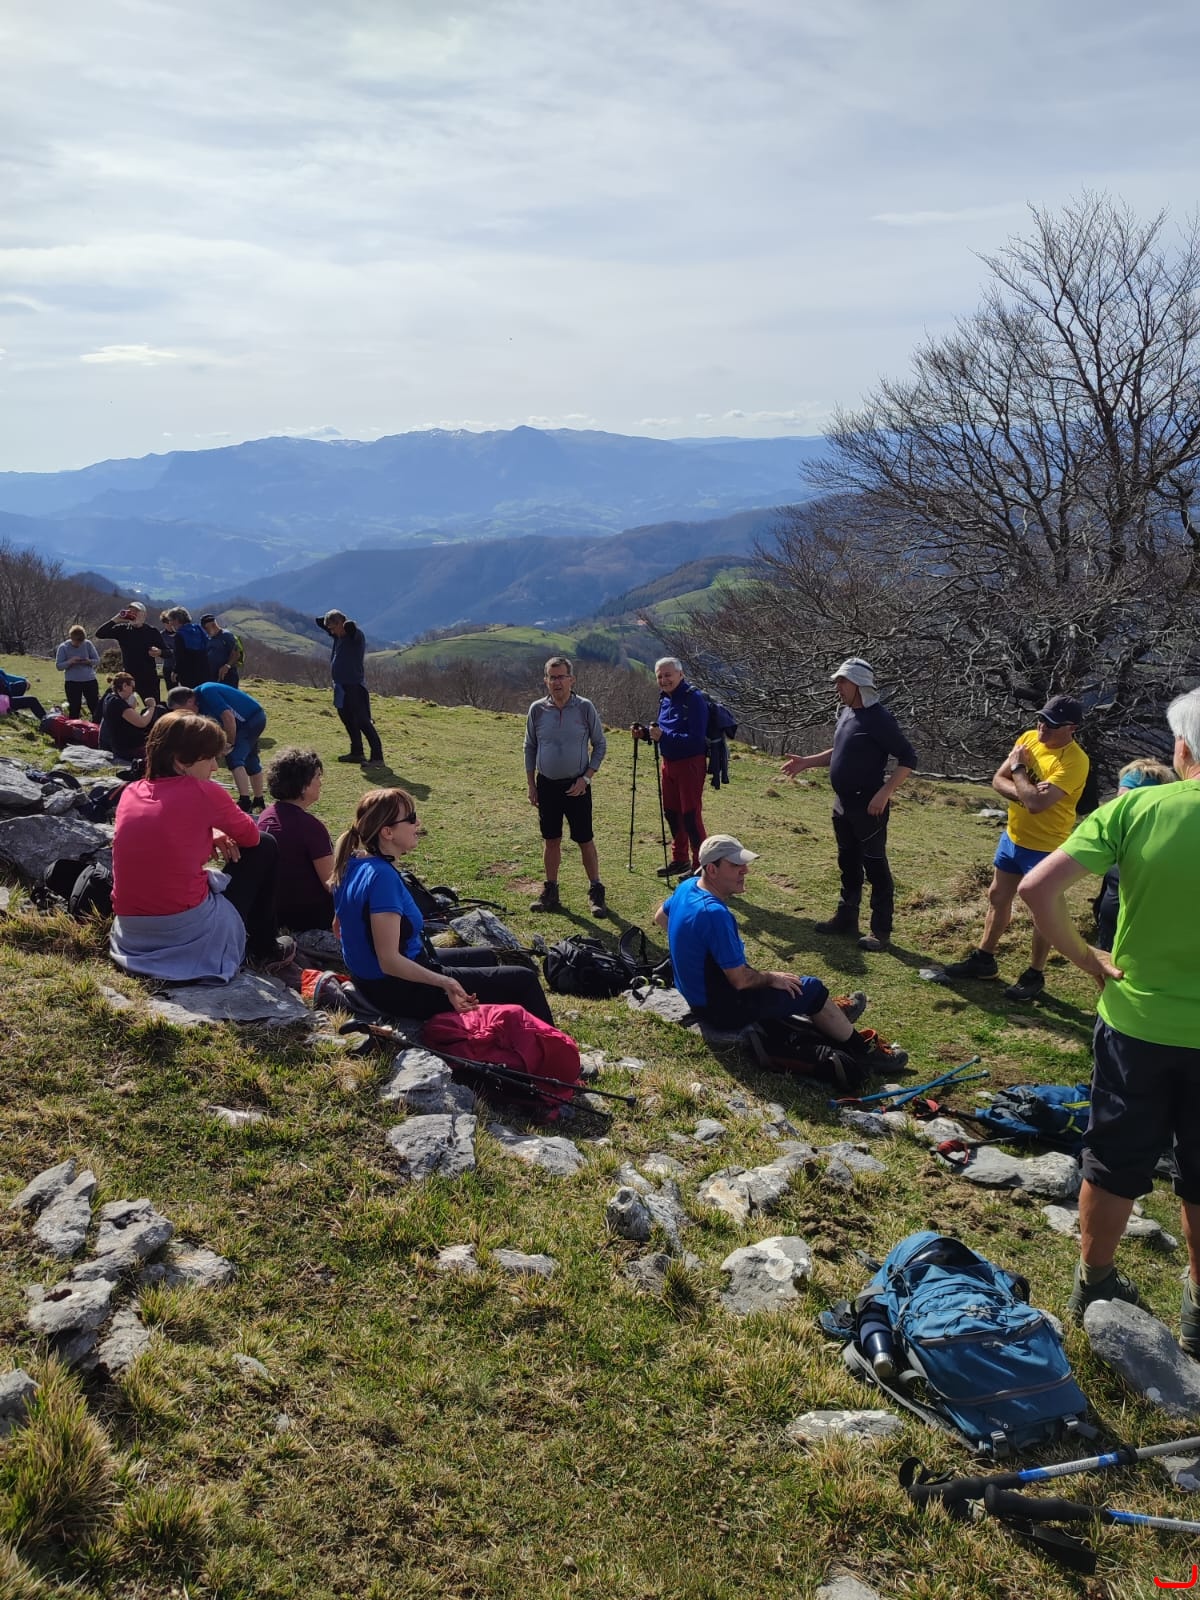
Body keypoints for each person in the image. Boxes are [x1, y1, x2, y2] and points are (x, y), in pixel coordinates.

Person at [1019, 689, 1200, 1350]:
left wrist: (1086, 957)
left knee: (1115, 1158)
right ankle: (1198, 1312)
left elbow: (1037, 889)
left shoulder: (1138, 807)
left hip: (1135, 1022)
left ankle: (1093, 1283)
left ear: (1182, 747)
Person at [654, 833, 907, 1068]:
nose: (745, 870)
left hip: (700, 995)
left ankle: (831, 1014)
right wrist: (770, 978)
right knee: (811, 988)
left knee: (787, 986)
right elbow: (741, 980)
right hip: (721, 1010)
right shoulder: (714, 913)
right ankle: (863, 1052)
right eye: (735, 865)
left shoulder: (688, 887)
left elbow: (661, 918)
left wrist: (696, 954)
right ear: (712, 869)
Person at [331, 787, 555, 1024]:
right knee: (524, 980)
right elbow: (389, 961)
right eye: (411, 818)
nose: (418, 823)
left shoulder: (352, 863)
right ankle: (554, 1045)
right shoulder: (382, 877)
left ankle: (494, 1026)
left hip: (376, 980)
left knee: (487, 956)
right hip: (397, 990)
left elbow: (338, 927)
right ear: (388, 832)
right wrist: (444, 982)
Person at [109, 711, 292, 982]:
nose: (215, 768)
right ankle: (264, 948)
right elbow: (251, 837)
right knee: (266, 844)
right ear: (181, 761)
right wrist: (217, 829)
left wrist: (213, 831)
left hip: (131, 931)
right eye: (209, 758)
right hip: (182, 930)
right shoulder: (204, 792)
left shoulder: (132, 791)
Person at [941, 695, 1090, 1000]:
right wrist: (1028, 791)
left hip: (1047, 848)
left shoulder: (1075, 761)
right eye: (1041, 719)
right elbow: (998, 780)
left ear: (1072, 728)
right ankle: (984, 959)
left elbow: (1036, 803)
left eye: (1051, 724)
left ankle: (1035, 974)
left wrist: (1020, 771)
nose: (1042, 727)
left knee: (1042, 911)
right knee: (997, 896)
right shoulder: (1028, 738)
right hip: (1013, 837)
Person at [780, 657, 918, 952]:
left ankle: (880, 931)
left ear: (859, 684)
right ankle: (846, 918)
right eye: (837, 682)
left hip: (869, 807)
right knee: (848, 862)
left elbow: (908, 758)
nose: (837, 687)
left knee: (875, 866)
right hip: (842, 804)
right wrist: (807, 762)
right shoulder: (847, 713)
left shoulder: (879, 718)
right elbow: (841, 750)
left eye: (842, 682)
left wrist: (884, 793)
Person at [524, 656, 608, 915]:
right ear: (545, 680)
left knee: (585, 839)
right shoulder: (537, 709)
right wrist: (531, 784)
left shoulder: (585, 707)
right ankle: (550, 892)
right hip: (546, 785)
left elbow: (600, 744)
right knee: (551, 840)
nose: (557, 682)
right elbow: (530, 747)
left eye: (561, 676)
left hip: (577, 785)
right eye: (552, 677)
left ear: (572, 679)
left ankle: (596, 891)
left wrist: (586, 778)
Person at [632, 657, 708, 877]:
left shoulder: (694, 699)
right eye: (660, 676)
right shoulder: (665, 698)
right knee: (672, 814)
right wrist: (645, 734)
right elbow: (664, 731)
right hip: (669, 763)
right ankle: (680, 860)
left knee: (691, 816)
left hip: (690, 764)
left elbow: (696, 740)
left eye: (668, 675)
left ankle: (700, 865)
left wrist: (664, 736)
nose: (664, 680)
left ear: (680, 675)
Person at [1092, 759, 1177, 951]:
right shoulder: (1117, 837)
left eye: (1134, 800)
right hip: (1109, 943)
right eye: (1121, 797)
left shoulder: (1170, 848)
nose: (1122, 806)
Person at [257, 748, 335, 932]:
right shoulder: (310, 827)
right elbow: (332, 883)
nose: (320, 783)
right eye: (317, 777)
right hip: (309, 918)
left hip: (273, 912)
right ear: (303, 786)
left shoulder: (267, 816)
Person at [167, 682, 267, 812]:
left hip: (250, 719)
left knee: (234, 757)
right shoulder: (198, 704)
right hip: (243, 723)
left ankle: (245, 801)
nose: (183, 714)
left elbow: (229, 718)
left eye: (182, 710)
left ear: (190, 701)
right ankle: (259, 800)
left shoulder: (207, 692)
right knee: (251, 760)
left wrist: (229, 743)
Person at [315, 609, 383, 765]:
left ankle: (377, 757)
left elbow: (352, 629)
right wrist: (330, 621)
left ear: (341, 624)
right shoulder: (337, 636)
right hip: (341, 686)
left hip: (354, 686)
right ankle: (357, 752)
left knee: (362, 720)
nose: (331, 632)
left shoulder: (355, 636)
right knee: (347, 719)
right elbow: (318, 621)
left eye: (333, 628)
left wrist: (347, 624)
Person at [95, 601, 163, 705]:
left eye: (136, 612)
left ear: (144, 615)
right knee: (120, 705)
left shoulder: (152, 631)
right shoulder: (123, 629)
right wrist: (116, 619)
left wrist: (159, 652)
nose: (133, 614)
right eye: (130, 611)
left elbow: (168, 652)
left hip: (148, 676)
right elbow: (100, 634)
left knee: (153, 706)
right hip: (128, 676)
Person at [98, 673, 157, 763]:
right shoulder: (117, 703)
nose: (133, 692)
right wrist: (151, 707)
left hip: (120, 746)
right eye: (132, 688)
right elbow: (142, 723)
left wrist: (130, 706)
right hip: (129, 749)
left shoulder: (109, 698)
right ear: (125, 686)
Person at [55, 626, 102, 719]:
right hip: (72, 682)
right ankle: (74, 725)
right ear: (71, 638)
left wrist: (88, 661)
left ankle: (98, 724)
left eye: (81, 642)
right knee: (74, 707)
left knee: (95, 706)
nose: (79, 644)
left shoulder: (88, 644)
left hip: (89, 680)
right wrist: (70, 662)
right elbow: (59, 666)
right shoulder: (63, 647)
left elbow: (97, 660)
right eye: (77, 642)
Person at [160, 607, 210, 689]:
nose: (170, 623)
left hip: (189, 673)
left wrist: (175, 671)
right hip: (204, 670)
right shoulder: (199, 628)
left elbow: (180, 656)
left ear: (176, 620)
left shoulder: (180, 635)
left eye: (171, 620)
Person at [200, 614, 241, 686]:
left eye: (206, 628)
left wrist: (227, 666)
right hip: (213, 677)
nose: (206, 631)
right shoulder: (209, 638)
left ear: (213, 625)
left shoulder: (227, 636)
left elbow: (236, 654)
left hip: (228, 676)